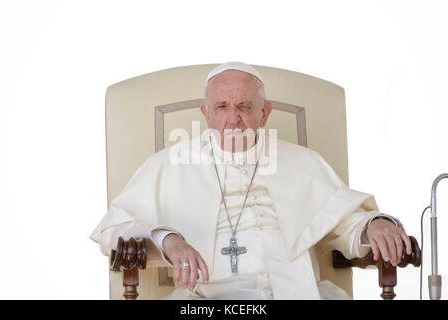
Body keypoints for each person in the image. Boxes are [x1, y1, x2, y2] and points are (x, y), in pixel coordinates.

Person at [90, 62, 411, 299]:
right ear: (206, 113)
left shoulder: (304, 162)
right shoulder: (167, 165)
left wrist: (376, 224)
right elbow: (113, 231)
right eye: (222, 107)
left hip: (299, 293)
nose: (233, 118)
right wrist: (168, 240)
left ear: (264, 113)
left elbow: (346, 223)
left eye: (244, 106)